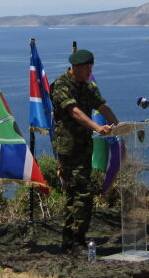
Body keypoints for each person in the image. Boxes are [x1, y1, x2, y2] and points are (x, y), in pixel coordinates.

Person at [50, 49, 118, 253]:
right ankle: (77, 239)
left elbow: (103, 107)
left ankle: (69, 239)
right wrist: (97, 127)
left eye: (91, 68)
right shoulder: (61, 85)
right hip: (69, 147)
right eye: (87, 68)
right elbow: (74, 111)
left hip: (84, 147)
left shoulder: (87, 87)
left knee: (76, 194)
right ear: (76, 67)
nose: (90, 72)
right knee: (83, 192)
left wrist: (119, 126)